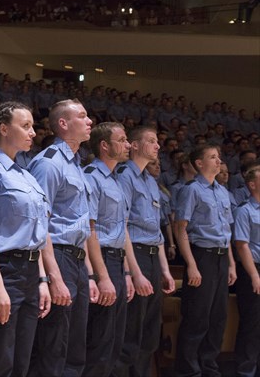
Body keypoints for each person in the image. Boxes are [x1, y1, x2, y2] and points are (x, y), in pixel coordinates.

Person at [0, 102, 51, 377]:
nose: (32, 132)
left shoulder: (26, 176)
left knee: (21, 361)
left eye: (33, 126)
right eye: (25, 126)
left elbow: (35, 236)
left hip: (28, 271)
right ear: (3, 128)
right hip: (4, 270)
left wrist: (41, 280)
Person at [27, 99, 98, 377]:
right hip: (58, 257)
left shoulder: (77, 165)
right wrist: (53, 277)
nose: (90, 121)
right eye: (82, 116)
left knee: (75, 346)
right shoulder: (49, 164)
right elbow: (39, 225)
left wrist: (89, 274)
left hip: (77, 262)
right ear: (63, 124)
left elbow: (80, 226)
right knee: (53, 344)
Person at [114, 126, 175, 377]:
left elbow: (156, 232)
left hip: (151, 255)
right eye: (151, 141)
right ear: (135, 146)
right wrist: (134, 272)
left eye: (158, 141)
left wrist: (165, 270)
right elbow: (123, 226)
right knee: (131, 328)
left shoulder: (152, 181)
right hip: (134, 254)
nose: (158, 146)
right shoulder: (124, 175)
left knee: (150, 330)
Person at [174, 144, 237, 377]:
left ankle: (209, 365)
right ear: (199, 163)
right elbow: (181, 228)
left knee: (218, 317)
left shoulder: (222, 191)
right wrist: (191, 264)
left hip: (221, 258)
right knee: (197, 316)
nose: (218, 160)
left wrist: (231, 263)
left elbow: (226, 232)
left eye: (219, 156)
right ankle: (188, 370)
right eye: (212, 157)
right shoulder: (191, 190)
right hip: (202, 256)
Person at [83, 122, 135, 376]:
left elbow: (120, 231)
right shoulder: (92, 177)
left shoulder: (116, 180)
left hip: (117, 261)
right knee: (99, 341)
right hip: (101, 259)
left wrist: (126, 273)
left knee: (115, 339)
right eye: (122, 140)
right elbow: (89, 231)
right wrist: (101, 276)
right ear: (105, 145)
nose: (128, 145)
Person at [233, 164, 260, 376]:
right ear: (252, 184)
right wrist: (254, 275)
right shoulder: (244, 210)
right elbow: (242, 245)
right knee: (252, 325)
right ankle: (246, 371)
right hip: (253, 269)